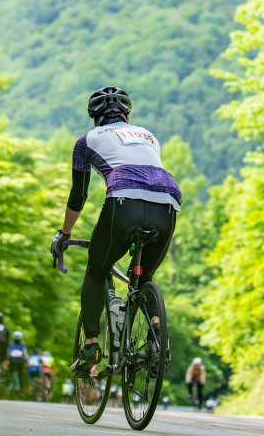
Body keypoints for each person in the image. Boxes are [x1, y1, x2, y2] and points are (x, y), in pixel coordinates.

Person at [49, 86, 181, 377]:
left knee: (97, 270)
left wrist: (64, 234)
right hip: (169, 201)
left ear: (93, 118)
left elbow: (78, 196)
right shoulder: (149, 136)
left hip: (124, 200)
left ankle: (92, 346)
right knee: (144, 276)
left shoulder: (87, 141)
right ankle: (157, 336)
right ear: (128, 115)